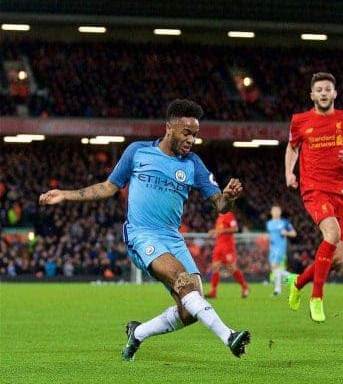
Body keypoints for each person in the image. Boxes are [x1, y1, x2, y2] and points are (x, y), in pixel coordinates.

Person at [39, 99, 251, 361]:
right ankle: (229, 336)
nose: (191, 140)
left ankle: (138, 333)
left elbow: (219, 204)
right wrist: (66, 195)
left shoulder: (193, 164)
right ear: (169, 128)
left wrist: (228, 196)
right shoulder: (138, 152)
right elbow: (108, 187)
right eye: (186, 133)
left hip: (173, 238)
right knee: (184, 284)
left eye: (195, 135)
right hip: (142, 235)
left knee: (189, 309)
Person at [285, 72, 343, 322]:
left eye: (327, 89)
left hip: (342, 191)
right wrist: (289, 172)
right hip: (314, 188)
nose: (323, 93)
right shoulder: (300, 120)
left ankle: (298, 282)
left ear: (334, 93)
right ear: (312, 94)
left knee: (338, 260)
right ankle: (317, 297)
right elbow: (292, 147)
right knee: (331, 234)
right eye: (319, 89)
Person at [205, 210, 250, 298]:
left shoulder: (229, 215)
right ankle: (213, 291)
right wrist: (215, 232)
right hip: (219, 246)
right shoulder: (219, 217)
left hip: (228, 247)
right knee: (215, 267)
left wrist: (221, 231)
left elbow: (235, 228)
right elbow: (220, 231)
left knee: (232, 268)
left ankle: (245, 287)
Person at [266, 205, 297, 296]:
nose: (275, 212)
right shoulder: (269, 223)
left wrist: (286, 232)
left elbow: (294, 233)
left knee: (275, 268)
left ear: (280, 212)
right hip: (272, 249)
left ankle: (278, 289)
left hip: (280, 249)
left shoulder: (284, 223)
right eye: (274, 210)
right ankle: (294, 279)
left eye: (277, 210)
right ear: (271, 212)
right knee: (276, 270)